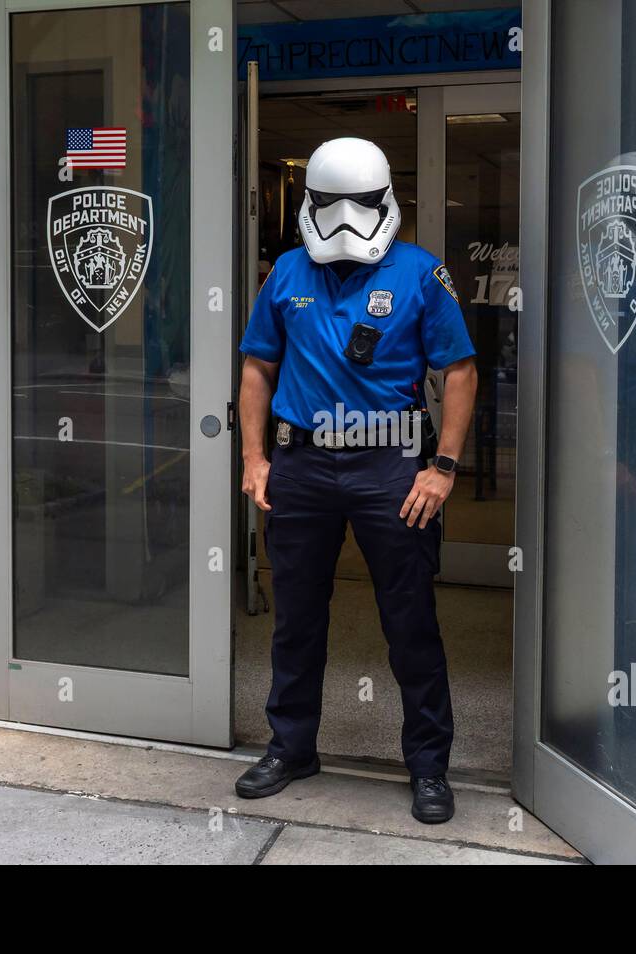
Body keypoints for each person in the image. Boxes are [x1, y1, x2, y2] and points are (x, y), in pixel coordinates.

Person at [234, 137, 478, 824]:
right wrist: (254, 459)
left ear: (384, 201)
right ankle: (291, 747)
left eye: (360, 204)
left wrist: (444, 468)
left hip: (390, 467)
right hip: (301, 465)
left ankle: (429, 766)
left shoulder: (420, 274)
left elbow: (458, 371)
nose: (345, 218)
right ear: (309, 203)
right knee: (296, 620)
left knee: (409, 622)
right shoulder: (285, 273)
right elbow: (258, 368)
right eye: (330, 204)